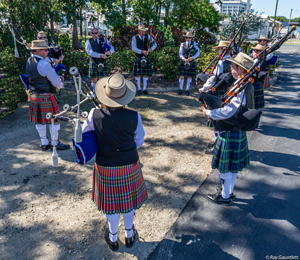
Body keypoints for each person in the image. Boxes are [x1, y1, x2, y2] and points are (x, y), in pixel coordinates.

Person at [81, 73, 147, 251]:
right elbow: (139, 142)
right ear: (125, 97)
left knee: (112, 204)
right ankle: (129, 234)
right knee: (127, 203)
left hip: (105, 165)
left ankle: (112, 237)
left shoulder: (94, 115)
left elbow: (84, 135)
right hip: (129, 164)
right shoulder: (135, 116)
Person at [203, 52, 254, 205]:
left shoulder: (241, 87)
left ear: (240, 69)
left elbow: (229, 111)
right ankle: (228, 192)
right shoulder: (244, 84)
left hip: (230, 129)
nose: (230, 69)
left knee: (226, 168)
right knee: (232, 166)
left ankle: (225, 196)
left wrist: (210, 112)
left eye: (233, 66)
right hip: (237, 130)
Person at [26, 40, 70, 151]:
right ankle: (55, 143)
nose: (47, 51)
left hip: (34, 96)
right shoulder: (44, 64)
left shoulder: (29, 60)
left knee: (39, 120)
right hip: (45, 96)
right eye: (45, 49)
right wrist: (60, 84)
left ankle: (44, 143)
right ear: (37, 50)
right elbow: (55, 80)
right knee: (54, 119)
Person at [199, 41, 232, 154]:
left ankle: (218, 144)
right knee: (223, 120)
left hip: (218, 93)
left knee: (217, 120)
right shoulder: (233, 61)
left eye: (218, 49)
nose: (217, 51)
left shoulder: (221, 63)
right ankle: (219, 142)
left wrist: (204, 88)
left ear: (223, 49)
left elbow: (213, 78)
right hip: (228, 93)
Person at [85, 27, 114, 93]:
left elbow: (111, 47)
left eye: (96, 33)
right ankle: (95, 93)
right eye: (92, 33)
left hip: (102, 62)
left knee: (102, 78)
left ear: (98, 33)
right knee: (94, 79)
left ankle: (100, 93)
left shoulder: (103, 40)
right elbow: (90, 52)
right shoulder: (88, 42)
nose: (94, 34)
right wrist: (100, 55)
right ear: (91, 33)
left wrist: (110, 52)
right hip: (94, 62)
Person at [131, 24, 157, 96]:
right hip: (138, 58)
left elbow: (155, 44)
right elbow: (134, 48)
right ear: (139, 31)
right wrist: (142, 51)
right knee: (138, 74)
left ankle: (144, 89)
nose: (143, 33)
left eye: (144, 31)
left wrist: (151, 49)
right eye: (142, 31)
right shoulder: (134, 38)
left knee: (145, 74)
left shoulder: (148, 37)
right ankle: (139, 89)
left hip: (146, 57)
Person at [178, 31, 200, 96]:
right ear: (185, 38)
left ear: (191, 38)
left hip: (191, 61)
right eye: (187, 38)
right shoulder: (182, 44)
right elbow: (180, 53)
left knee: (189, 77)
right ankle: (180, 89)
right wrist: (183, 59)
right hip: (184, 61)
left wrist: (192, 58)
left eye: (189, 38)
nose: (188, 39)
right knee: (182, 76)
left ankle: (187, 90)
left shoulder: (194, 44)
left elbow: (198, 52)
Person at [251, 44, 267, 109]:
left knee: (254, 107)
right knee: (256, 107)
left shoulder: (256, 61)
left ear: (258, 52)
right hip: (258, 83)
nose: (252, 51)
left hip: (255, 83)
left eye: (254, 50)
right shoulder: (260, 59)